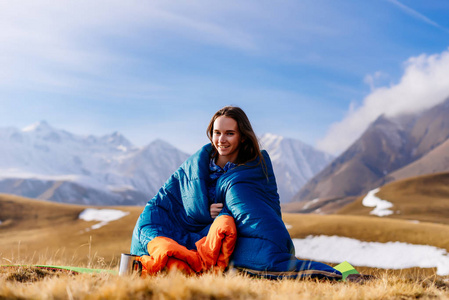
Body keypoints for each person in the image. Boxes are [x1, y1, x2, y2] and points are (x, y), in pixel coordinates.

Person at [130, 106, 342, 279]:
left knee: (262, 255)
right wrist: (203, 209)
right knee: (152, 231)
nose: (222, 139)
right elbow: (174, 197)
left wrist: (218, 214)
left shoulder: (253, 169)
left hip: (222, 232)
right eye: (217, 133)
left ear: (242, 136)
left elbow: (256, 208)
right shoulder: (197, 164)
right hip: (182, 225)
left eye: (229, 133)